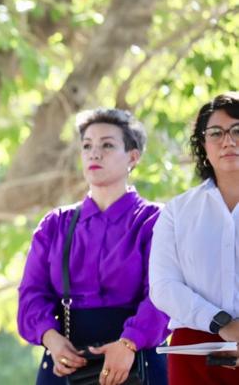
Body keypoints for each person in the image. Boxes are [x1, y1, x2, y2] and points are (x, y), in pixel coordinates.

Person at [18, 108, 169, 385]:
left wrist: (129, 343)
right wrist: (51, 338)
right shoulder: (55, 224)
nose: (94, 154)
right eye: (87, 146)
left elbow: (165, 294)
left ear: (133, 157)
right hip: (65, 363)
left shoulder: (156, 220)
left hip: (137, 362)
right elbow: (31, 294)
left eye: (107, 145)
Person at [149, 92, 239, 384]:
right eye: (216, 133)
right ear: (203, 144)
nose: (228, 141)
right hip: (193, 356)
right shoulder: (177, 212)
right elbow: (163, 286)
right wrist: (222, 323)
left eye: (237, 130)